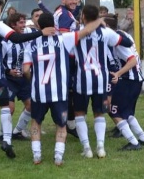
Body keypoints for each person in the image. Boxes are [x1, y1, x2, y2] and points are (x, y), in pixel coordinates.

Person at [0, 0, 55, 159]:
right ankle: (7, 140)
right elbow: (16, 38)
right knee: (4, 107)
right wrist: (40, 33)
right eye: (0, 7)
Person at [22, 12, 105, 165]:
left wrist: (32, 80)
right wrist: (98, 20)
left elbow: (25, 70)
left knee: (36, 122)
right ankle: (58, 157)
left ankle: (37, 155)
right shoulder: (63, 39)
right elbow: (86, 31)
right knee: (61, 125)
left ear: (38, 26)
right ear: (54, 24)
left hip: (39, 91)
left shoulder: (31, 44)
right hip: (59, 93)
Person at [72, 5, 133, 159]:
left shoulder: (76, 34)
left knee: (80, 114)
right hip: (101, 79)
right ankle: (100, 147)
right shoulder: (105, 33)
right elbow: (126, 42)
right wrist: (110, 29)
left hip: (82, 80)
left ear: (83, 17)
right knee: (99, 113)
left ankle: (87, 148)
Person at [104, 15, 144, 151]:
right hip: (135, 79)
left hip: (128, 80)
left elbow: (132, 60)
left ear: (107, 27)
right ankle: (143, 139)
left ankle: (133, 142)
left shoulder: (116, 40)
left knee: (113, 111)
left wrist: (118, 73)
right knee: (127, 112)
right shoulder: (122, 35)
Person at [1, 12, 33, 141]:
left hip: (23, 78)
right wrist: (8, 71)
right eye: (20, 23)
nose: (23, 25)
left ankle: (17, 131)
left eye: (24, 22)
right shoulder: (5, 41)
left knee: (31, 106)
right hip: (9, 79)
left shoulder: (26, 38)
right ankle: (2, 135)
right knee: (10, 108)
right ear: (12, 25)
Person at [53, 0, 79, 138]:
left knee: (68, 92)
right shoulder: (64, 15)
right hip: (65, 58)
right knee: (69, 91)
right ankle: (68, 123)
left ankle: (67, 122)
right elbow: (64, 38)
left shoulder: (64, 12)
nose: (74, 1)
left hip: (63, 57)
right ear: (63, 0)